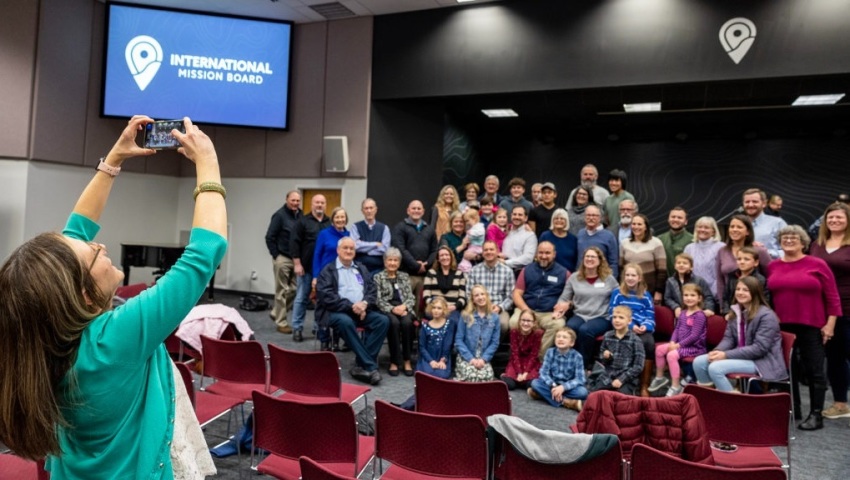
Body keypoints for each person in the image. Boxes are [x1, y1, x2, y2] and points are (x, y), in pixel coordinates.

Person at [0, 116, 225, 477]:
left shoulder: (44, 339)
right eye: (93, 252)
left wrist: (114, 159)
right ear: (85, 298)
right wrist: (208, 163)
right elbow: (204, 254)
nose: (99, 243)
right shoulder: (115, 339)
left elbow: (74, 235)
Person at [767, 225, 841, 430]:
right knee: (787, 370)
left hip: (812, 325)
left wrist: (831, 323)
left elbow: (833, 296)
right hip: (783, 326)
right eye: (785, 237)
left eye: (794, 237)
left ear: (803, 242)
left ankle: (816, 414)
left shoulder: (817, 264)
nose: (789, 240)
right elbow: (770, 296)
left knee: (815, 370)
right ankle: (793, 409)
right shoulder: (773, 265)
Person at [692, 277, 786, 395]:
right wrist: (718, 351)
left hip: (762, 361)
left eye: (745, 290)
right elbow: (729, 338)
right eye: (738, 289)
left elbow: (759, 349)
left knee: (716, 368)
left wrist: (725, 355)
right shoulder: (737, 312)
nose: (740, 292)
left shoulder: (766, 316)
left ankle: (734, 406)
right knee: (699, 362)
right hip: (742, 356)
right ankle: (711, 399)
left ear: (755, 292)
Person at [315, 237, 390, 385]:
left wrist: (364, 304)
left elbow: (372, 290)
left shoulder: (361, 268)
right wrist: (352, 307)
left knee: (383, 321)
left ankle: (360, 365)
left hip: (361, 310)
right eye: (345, 248)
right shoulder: (328, 270)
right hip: (336, 312)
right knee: (346, 322)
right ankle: (370, 366)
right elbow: (327, 297)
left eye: (351, 248)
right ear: (338, 251)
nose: (349, 251)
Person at [809, 202, 850, 421]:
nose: (834, 221)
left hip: (848, 306)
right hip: (823, 309)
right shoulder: (817, 244)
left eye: (839, 218)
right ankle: (841, 403)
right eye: (830, 218)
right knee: (835, 358)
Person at [553, 246, 619, 368]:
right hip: (580, 314)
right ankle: (565, 362)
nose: (589, 259)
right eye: (587, 256)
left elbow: (618, 296)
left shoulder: (609, 279)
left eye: (593, 257)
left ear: (600, 260)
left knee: (585, 330)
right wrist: (559, 309)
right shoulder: (574, 277)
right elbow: (564, 298)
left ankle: (583, 366)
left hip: (601, 316)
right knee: (570, 328)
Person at [510, 241, 568, 355]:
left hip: (548, 313)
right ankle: (519, 355)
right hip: (526, 309)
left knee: (558, 325)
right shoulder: (526, 270)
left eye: (547, 253)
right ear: (536, 254)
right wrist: (526, 311)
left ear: (554, 254)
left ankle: (538, 356)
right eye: (540, 253)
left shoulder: (564, 273)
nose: (544, 256)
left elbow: (570, 295)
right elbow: (517, 293)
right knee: (513, 322)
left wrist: (566, 304)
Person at [650, 284, 708, 397]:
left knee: (671, 355)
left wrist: (678, 345)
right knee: (659, 350)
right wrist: (672, 342)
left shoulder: (700, 315)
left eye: (692, 295)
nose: (689, 298)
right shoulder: (682, 313)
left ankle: (675, 386)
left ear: (699, 298)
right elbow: (677, 329)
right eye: (686, 295)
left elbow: (694, 336)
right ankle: (659, 377)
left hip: (695, 347)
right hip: (679, 344)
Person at [609, 263, 655, 397]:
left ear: (639, 278)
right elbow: (612, 313)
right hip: (623, 326)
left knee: (649, 343)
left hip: (641, 328)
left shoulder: (646, 295)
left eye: (633, 275)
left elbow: (650, 314)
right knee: (629, 343)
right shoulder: (617, 293)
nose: (630, 278)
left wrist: (645, 326)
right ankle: (625, 381)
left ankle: (644, 385)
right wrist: (630, 326)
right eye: (627, 275)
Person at [290, 194, 330, 342]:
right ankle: (297, 328)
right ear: (312, 204)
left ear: (325, 205)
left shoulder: (329, 223)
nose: (319, 205)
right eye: (317, 202)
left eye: (322, 203)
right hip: (305, 268)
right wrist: (297, 264)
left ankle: (317, 328)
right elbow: (294, 243)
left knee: (320, 300)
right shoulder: (303, 222)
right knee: (301, 298)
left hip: (324, 271)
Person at [374, 247, 417, 377]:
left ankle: (407, 360)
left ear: (399, 262)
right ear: (385, 261)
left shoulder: (404, 276)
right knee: (393, 323)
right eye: (390, 260)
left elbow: (411, 297)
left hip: (404, 307)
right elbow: (378, 300)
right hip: (387, 308)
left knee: (407, 323)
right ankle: (394, 361)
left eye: (395, 260)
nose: (392, 263)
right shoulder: (378, 277)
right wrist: (392, 309)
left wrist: (404, 307)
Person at [265, 190, 302, 333]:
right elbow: (269, 237)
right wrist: (276, 255)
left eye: (297, 201)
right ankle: (281, 322)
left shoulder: (300, 215)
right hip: (282, 258)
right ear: (287, 200)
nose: (295, 203)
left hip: (296, 259)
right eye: (293, 200)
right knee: (281, 291)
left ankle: (276, 312)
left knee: (294, 289)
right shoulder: (279, 216)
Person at [590, 306, 646, 396]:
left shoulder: (635, 340)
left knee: (621, 401)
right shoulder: (608, 336)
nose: (617, 320)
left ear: (629, 321)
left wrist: (622, 379)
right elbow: (602, 359)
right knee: (595, 396)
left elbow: (638, 366)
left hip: (626, 377)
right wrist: (605, 356)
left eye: (621, 318)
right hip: (608, 375)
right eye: (614, 317)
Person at [528, 327, 588, 411]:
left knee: (583, 392)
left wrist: (563, 387)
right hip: (552, 385)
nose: (560, 339)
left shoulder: (577, 356)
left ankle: (542, 395)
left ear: (572, 343)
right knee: (535, 383)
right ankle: (566, 402)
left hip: (567, 387)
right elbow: (543, 372)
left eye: (564, 337)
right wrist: (553, 385)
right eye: (558, 336)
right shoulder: (550, 352)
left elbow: (580, 379)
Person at [392, 200, 438, 308]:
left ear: (423, 211)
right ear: (408, 210)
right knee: (405, 305)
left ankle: (419, 324)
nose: (416, 211)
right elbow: (400, 249)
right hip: (406, 275)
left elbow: (434, 249)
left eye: (419, 208)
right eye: (413, 208)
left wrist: (426, 264)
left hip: (424, 276)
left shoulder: (429, 229)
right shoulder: (400, 227)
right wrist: (416, 265)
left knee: (421, 307)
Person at [715, 214, 771, 302]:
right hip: (730, 304)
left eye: (739, 227)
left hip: (755, 304)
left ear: (747, 232)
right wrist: (722, 305)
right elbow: (720, 280)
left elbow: (769, 277)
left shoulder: (759, 251)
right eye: (732, 226)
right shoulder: (722, 251)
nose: (734, 230)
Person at [467, 240, 516, 336]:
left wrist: (500, 307)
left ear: (497, 251)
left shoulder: (507, 271)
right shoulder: (474, 271)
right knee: (470, 321)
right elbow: (469, 294)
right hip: (478, 307)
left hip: (499, 308)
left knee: (503, 324)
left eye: (491, 249)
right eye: (486, 250)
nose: (488, 252)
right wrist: (480, 307)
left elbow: (511, 296)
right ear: (482, 252)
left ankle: (493, 348)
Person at [454, 285, 501, 382]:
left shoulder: (495, 318)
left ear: (487, 296)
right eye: (476, 295)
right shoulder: (466, 315)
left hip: (483, 357)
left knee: (486, 377)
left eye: (482, 294)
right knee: (471, 376)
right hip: (467, 356)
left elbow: (494, 342)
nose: (480, 297)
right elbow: (458, 340)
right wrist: (471, 359)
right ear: (473, 300)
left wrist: (483, 359)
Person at [619, 213, 667, 304]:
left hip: (650, 290)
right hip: (628, 291)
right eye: (634, 224)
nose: (636, 227)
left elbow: (662, 271)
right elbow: (621, 268)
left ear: (646, 227)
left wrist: (659, 292)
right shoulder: (624, 243)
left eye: (639, 224)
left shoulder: (656, 243)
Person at [500, 309, 543, 391]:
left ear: (534, 323)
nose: (525, 323)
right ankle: (509, 377)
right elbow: (514, 353)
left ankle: (521, 381)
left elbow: (534, 355)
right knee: (510, 385)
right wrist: (519, 373)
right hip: (517, 361)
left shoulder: (538, 333)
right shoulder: (514, 332)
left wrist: (526, 373)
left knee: (531, 383)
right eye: (523, 320)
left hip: (530, 362)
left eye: (529, 321)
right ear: (519, 321)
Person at [663, 253, 717, 318]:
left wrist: (709, 309)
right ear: (674, 266)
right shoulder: (670, 281)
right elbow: (667, 298)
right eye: (678, 263)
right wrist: (675, 307)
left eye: (685, 263)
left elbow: (708, 297)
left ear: (691, 267)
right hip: (680, 315)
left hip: (697, 314)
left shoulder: (699, 280)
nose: (681, 265)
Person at [720, 246, 769, 315]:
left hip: (753, 314)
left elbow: (764, 300)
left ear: (756, 262)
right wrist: (727, 312)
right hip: (732, 314)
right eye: (739, 259)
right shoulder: (732, 276)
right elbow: (726, 297)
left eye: (746, 259)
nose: (742, 262)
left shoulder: (760, 280)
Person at [684, 216, 724, 298]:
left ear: (713, 231)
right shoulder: (689, 248)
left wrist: (712, 294)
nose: (702, 230)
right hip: (692, 296)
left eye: (706, 227)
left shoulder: (721, 247)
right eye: (700, 227)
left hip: (714, 295)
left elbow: (722, 274)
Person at [416, 297, 456, 379]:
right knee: (426, 374)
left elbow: (448, 344)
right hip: (428, 357)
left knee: (441, 375)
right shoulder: (425, 326)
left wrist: (443, 360)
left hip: (442, 357)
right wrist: (431, 361)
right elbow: (422, 346)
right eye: (434, 308)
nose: (436, 310)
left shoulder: (449, 324)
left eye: (439, 308)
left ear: (444, 310)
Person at [422, 245, 467, 317]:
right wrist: (436, 306)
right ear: (438, 259)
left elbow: (462, 297)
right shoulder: (431, 273)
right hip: (435, 308)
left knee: (453, 321)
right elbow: (426, 295)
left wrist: (455, 306)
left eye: (447, 255)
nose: (445, 257)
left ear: (451, 257)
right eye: (441, 255)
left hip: (452, 308)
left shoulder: (459, 274)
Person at [577, 204, 619, 279]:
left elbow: (613, 262)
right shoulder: (580, 234)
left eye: (594, 215)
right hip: (582, 278)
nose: (591, 218)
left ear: (600, 218)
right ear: (584, 217)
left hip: (602, 279)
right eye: (588, 215)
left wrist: (612, 280)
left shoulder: (609, 236)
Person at [743, 188, 787, 259]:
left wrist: (765, 252)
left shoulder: (778, 223)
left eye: (755, 201)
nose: (750, 205)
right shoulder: (739, 225)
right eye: (747, 202)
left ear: (764, 203)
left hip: (770, 268)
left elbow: (790, 250)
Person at [350, 198, 391, 274]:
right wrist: (375, 244)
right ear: (362, 211)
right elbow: (355, 246)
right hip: (359, 269)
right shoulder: (355, 227)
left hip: (379, 270)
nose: (369, 211)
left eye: (371, 208)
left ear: (376, 210)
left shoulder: (384, 228)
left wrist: (365, 250)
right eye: (366, 208)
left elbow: (385, 249)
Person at [311, 207, 350, 279]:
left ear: (346, 219)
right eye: (337, 217)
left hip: (344, 275)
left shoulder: (349, 235)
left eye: (342, 217)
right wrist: (315, 276)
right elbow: (317, 255)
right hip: (326, 274)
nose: (340, 220)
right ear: (332, 219)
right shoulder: (324, 234)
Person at [656, 207, 693, 276]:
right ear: (668, 219)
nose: (675, 219)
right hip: (663, 281)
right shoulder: (659, 239)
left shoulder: (692, 240)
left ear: (686, 221)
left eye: (679, 218)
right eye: (673, 217)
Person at [539, 208, 579, 272]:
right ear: (552, 220)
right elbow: (539, 256)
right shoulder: (545, 236)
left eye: (562, 218)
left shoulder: (573, 239)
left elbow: (575, 260)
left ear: (566, 221)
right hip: (548, 273)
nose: (559, 220)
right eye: (556, 218)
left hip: (568, 275)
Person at [501, 205, 538, 273]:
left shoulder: (530, 235)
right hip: (502, 270)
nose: (517, 217)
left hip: (518, 272)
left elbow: (528, 258)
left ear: (526, 218)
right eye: (514, 214)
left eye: (520, 215)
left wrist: (506, 262)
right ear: (511, 216)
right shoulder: (506, 231)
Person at [458, 208, 486, 272]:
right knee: (465, 257)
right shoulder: (473, 227)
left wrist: (470, 232)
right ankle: (466, 268)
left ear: (474, 219)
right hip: (472, 246)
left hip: (477, 247)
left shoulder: (479, 226)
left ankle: (466, 269)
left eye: (467, 221)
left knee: (466, 257)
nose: (467, 223)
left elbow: (480, 233)